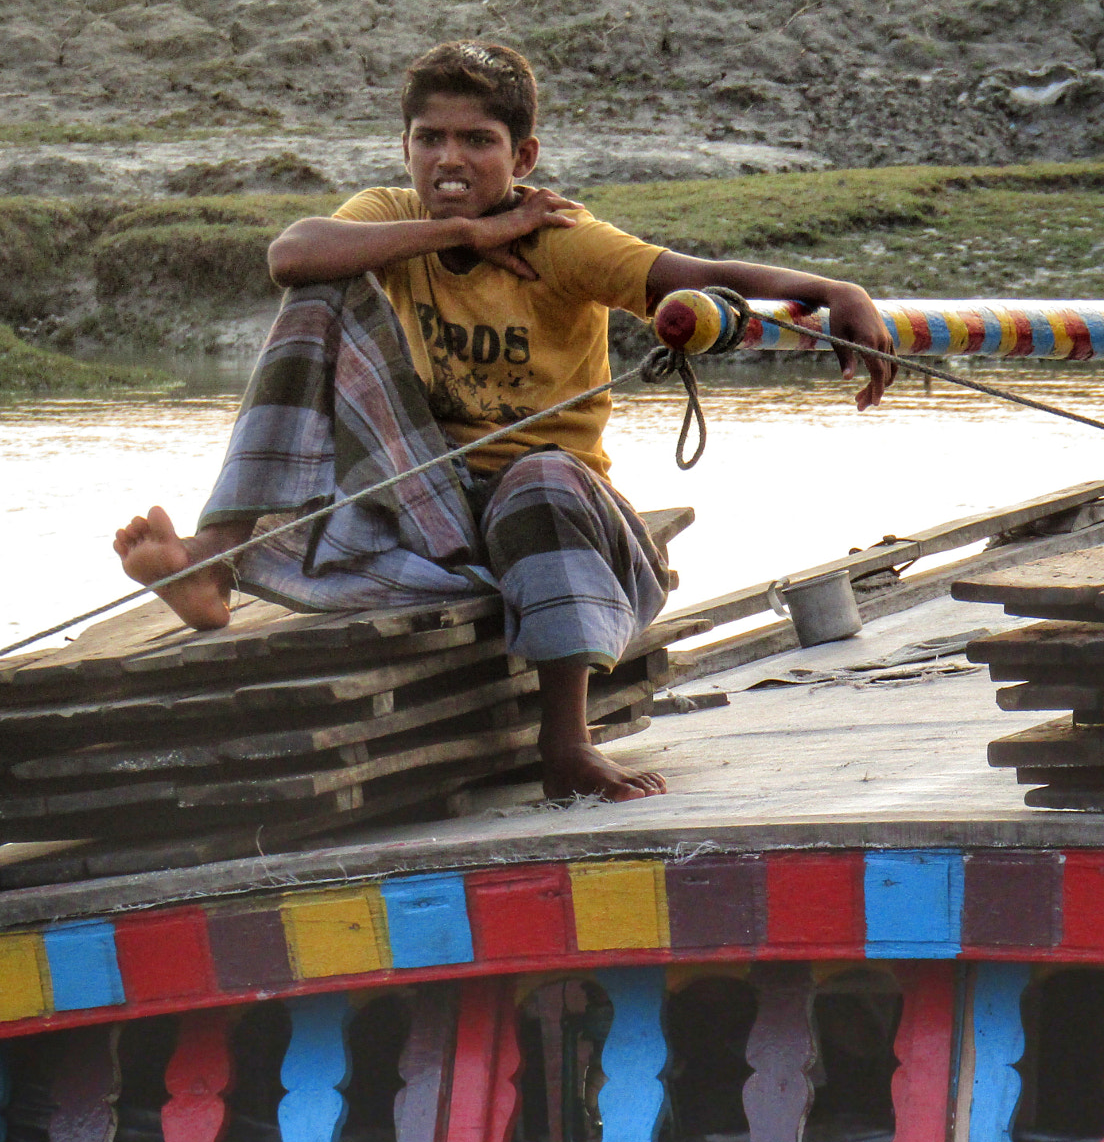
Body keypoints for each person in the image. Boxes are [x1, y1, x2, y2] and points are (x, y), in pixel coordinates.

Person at [112, 40, 894, 802]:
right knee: (318, 289)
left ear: (522, 158)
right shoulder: (393, 216)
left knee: (538, 472)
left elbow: (696, 277)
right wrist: (467, 232)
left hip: (560, 515)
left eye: (478, 142)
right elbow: (293, 252)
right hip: (435, 507)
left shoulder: (562, 239)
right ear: (407, 147)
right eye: (432, 140)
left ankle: (567, 743)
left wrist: (835, 290)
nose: (451, 160)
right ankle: (214, 555)